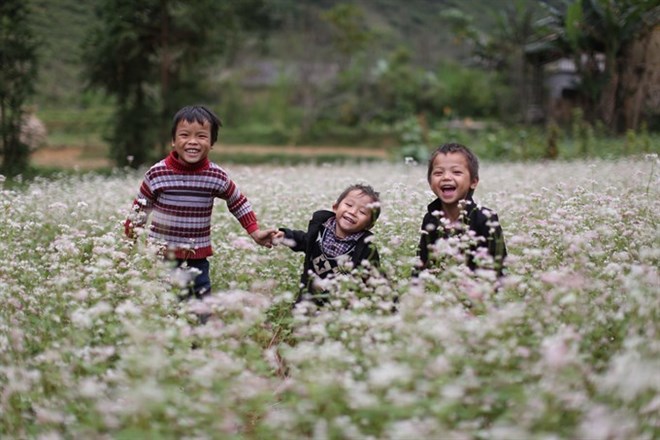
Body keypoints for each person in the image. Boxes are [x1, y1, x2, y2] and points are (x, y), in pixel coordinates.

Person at [124, 105, 275, 310]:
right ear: (173, 141)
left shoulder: (215, 176)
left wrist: (255, 232)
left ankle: (198, 340)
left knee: (201, 307)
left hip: (197, 259)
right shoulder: (157, 173)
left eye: (202, 136)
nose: (193, 141)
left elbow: (237, 201)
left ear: (212, 143)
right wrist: (130, 241)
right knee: (164, 307)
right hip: (161, 258)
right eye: (184, 135)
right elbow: (140, 208)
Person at [273, 183, 381, 305]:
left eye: (362, 212)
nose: (353, 212)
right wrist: (285, 236)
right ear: (335, 207)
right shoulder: (320, 228)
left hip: (339, 304)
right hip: (308, 295)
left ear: (369, 225)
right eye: (349, 205)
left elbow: (374, 277)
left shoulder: (365, 247)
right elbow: (304, 240)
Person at [417, 143, 506, 276]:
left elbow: (499, 269)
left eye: (457, 172)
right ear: (430, 182)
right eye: (438, 173)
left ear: (473, 182)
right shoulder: (430, 219)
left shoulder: (485, 219)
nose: (446, 177)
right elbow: (422, 264)